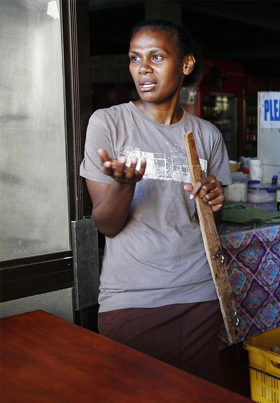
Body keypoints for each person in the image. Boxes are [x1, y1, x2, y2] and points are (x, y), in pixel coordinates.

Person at [79, 19, 231, 385]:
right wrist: (124, 186)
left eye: (156, 56)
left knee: (200, 393)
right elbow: (107, 225)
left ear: (186, 64)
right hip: (134, 300)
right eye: (134, 58)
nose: (142, 68)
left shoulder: (206, 134)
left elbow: (206, 215)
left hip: (200, 294)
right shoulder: (109, 123)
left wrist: (213, 198)